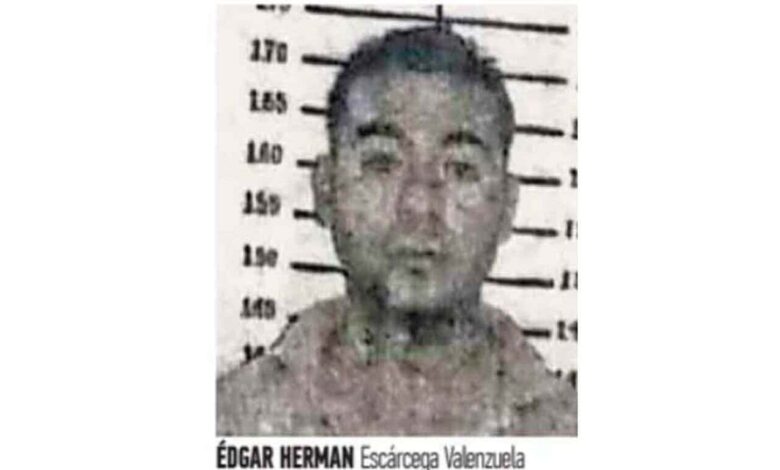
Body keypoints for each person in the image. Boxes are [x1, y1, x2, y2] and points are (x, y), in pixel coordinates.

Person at [217, 26, 576, 436]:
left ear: (508, 206)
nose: (419, 204)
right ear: (325, 190)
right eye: (382, 164)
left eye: (460, 169)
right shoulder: (230, 420)